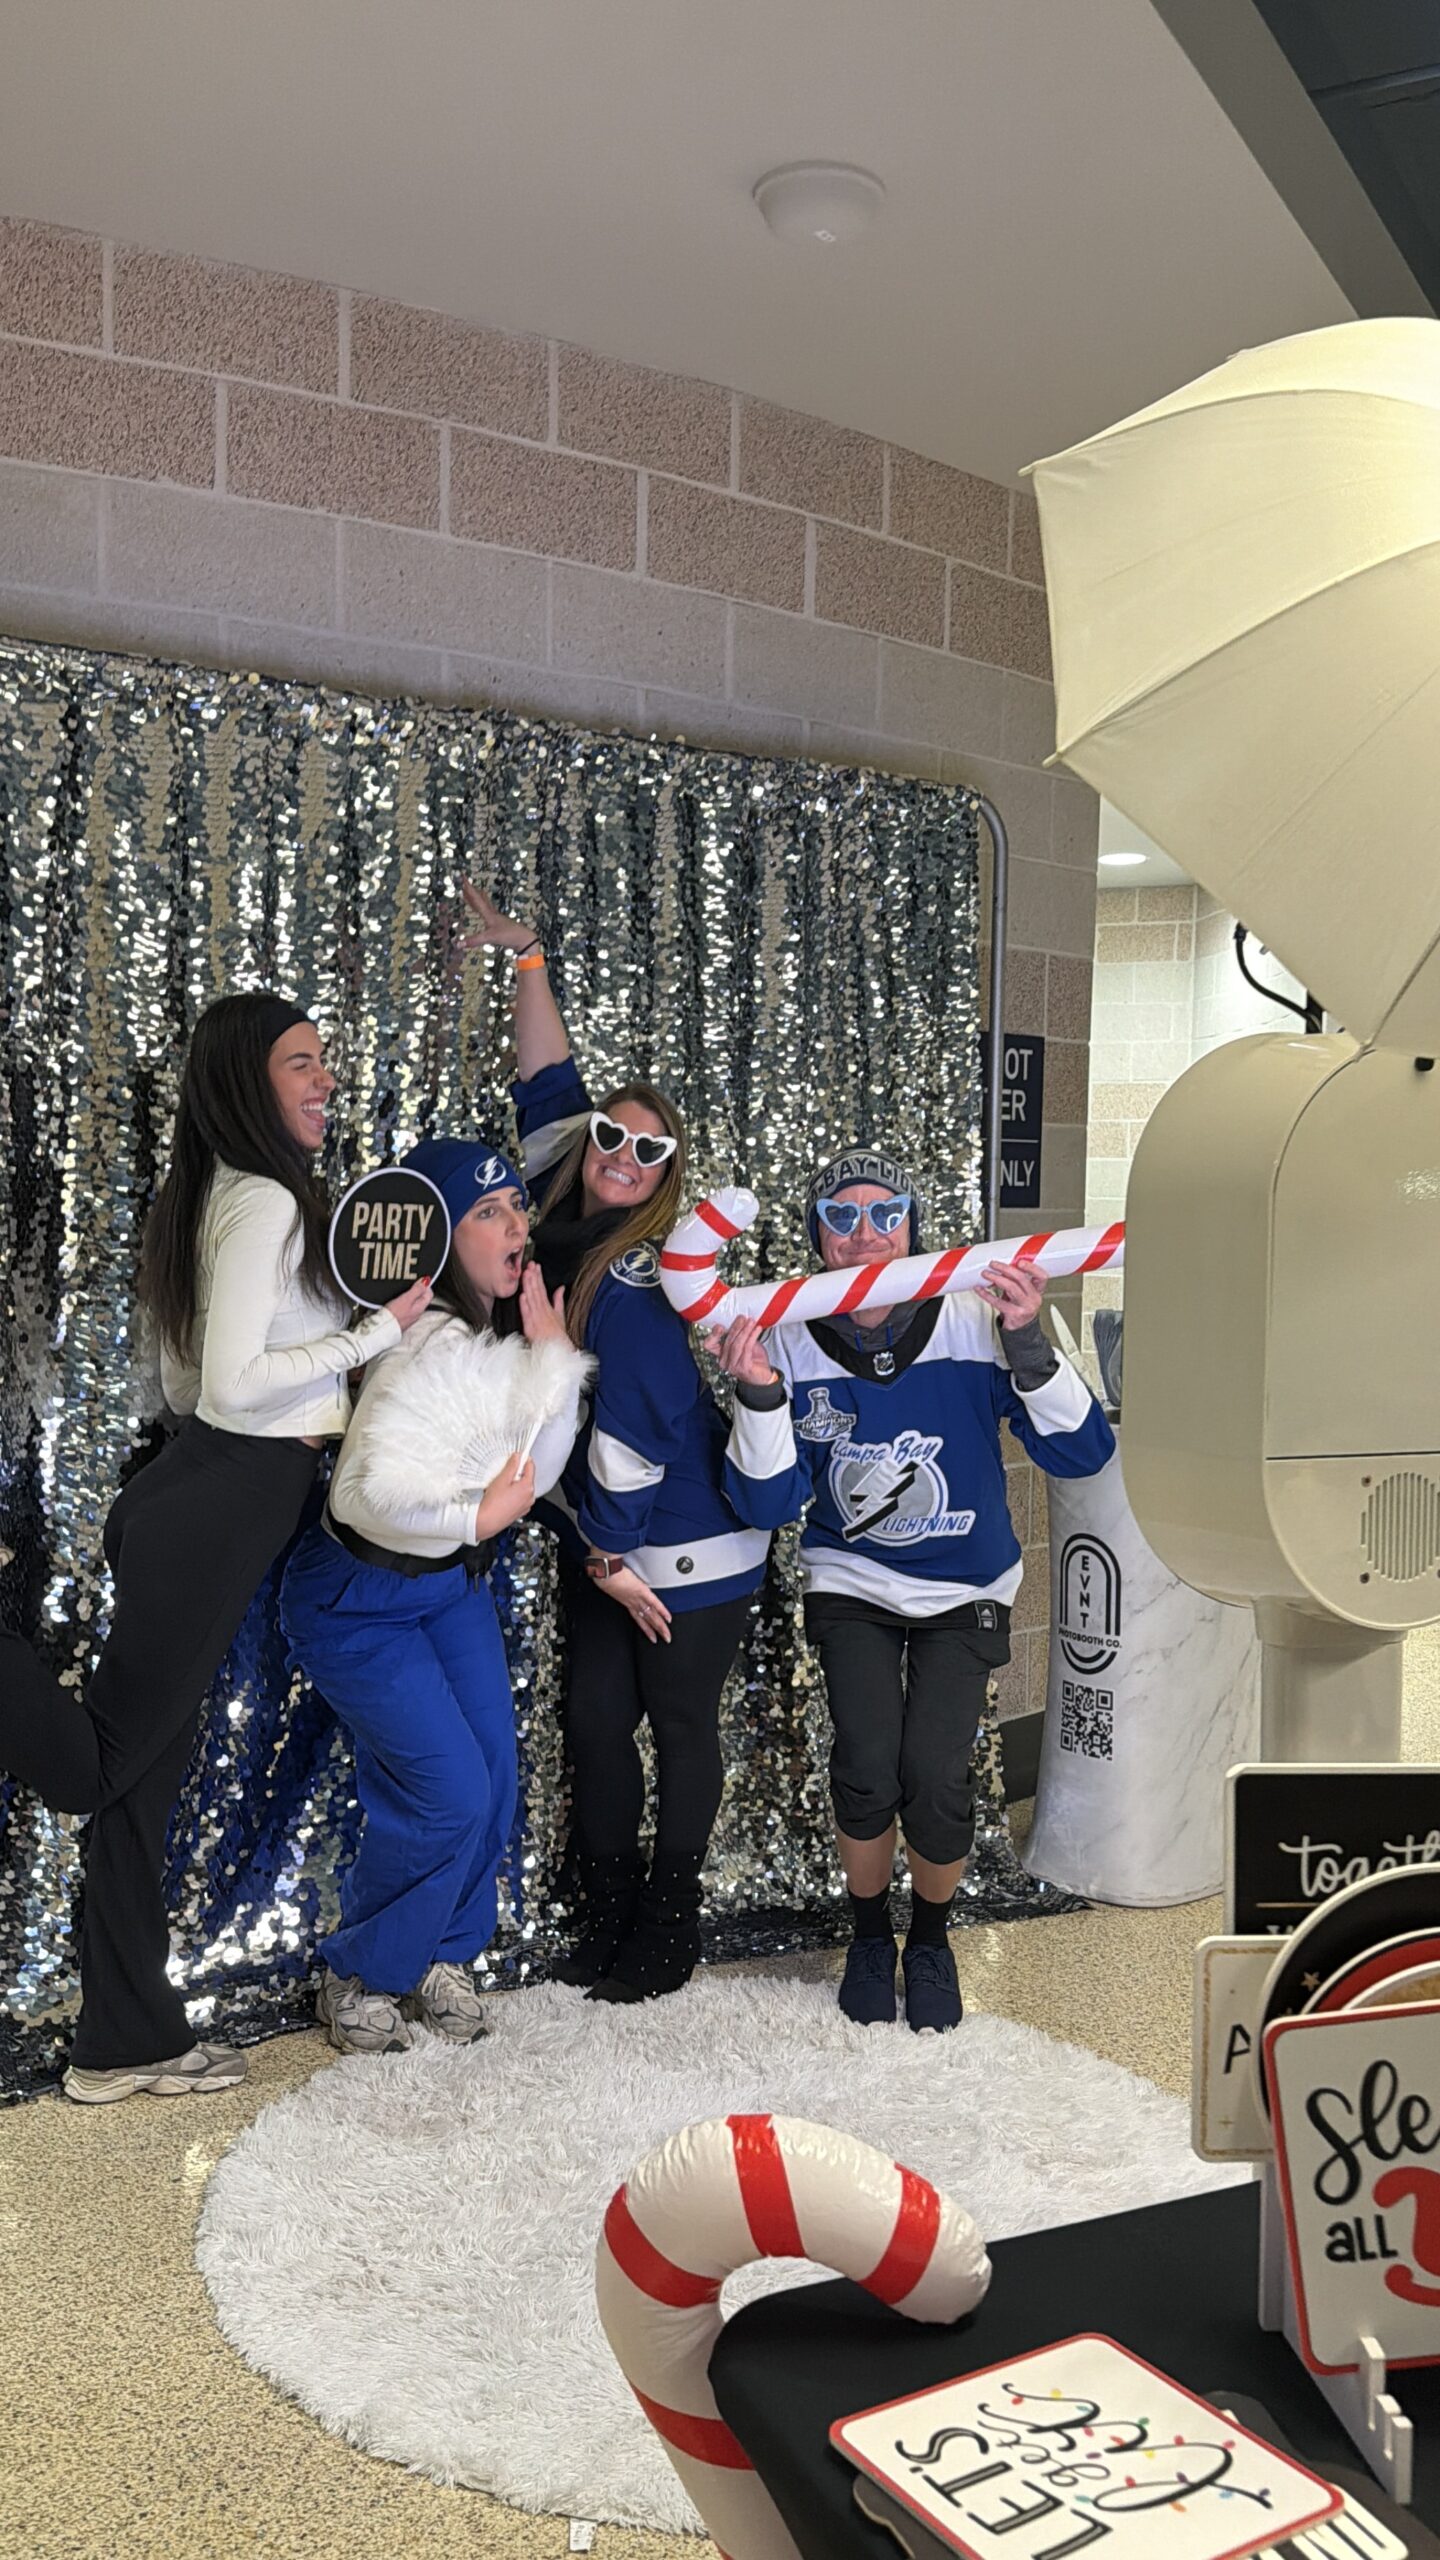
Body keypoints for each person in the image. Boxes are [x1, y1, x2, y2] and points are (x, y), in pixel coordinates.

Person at [0, 992, 431, 2104]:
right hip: (219, 1497)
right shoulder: (262, 1205)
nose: (324, 1080)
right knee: (104, 1764)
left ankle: (119, 2041)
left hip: (206, 1491)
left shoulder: (234, 1194)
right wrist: (377, 1331)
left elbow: (197, 1378)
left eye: (324, 1060)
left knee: (140, 1786)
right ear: (247, 1078)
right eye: (301, 1063)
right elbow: (235, 1388)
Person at [712, 1144, 1115, 2034]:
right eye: (843, 1216)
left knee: (934, 1779)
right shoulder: (782, 1329)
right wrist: (756, 1393)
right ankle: (867, 1933)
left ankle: (928, 1936)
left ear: (913, 1223)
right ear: (817, 1235)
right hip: (851, 1577)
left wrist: (1027, 1342)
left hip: (966, 1580)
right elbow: (769, 1502)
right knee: (865, 1766)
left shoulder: (977, 1312)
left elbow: (1083, 1453)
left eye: (884, 1212)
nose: (866, 1235)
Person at [462, 884, 779, 2004]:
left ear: (667, 1178)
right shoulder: (556, 1196)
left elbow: (640, 1435)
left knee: (677, 1719)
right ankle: (603, 1905)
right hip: (600, 1533)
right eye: (613, 1135)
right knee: (597, 1718)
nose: (623, 1155)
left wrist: (612, 1555)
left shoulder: (636, 1280)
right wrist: (531, 958)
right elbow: (546, 1084)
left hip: (676, 1539)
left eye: (651, 1151)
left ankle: (669, 1918)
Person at [279, 1140, 589, 2055]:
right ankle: (362, 1971)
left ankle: (442, 1953)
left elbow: (534, 1467)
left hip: (445, 1587)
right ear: (437, 1237)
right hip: (359, 1594)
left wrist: (551, 1357)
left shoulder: (492, 1331)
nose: (516, 1226)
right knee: (449, 1790)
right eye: (488, 1213)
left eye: (516, 1208)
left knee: (491, 1775)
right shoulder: (425, 1339)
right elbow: (359, 1497)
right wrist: (472, 1514)